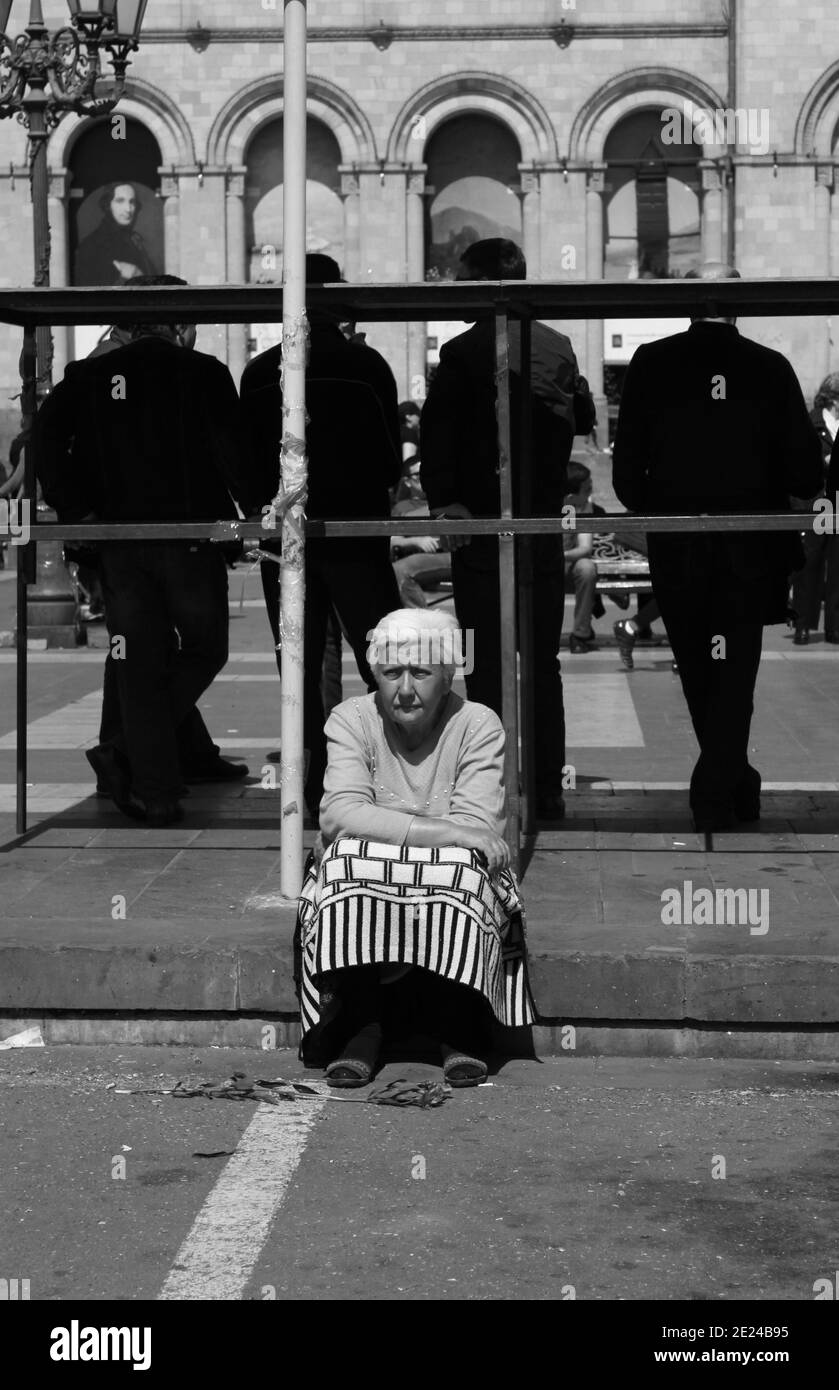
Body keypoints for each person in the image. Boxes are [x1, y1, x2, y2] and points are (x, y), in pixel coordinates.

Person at [612, 261, 822, 831]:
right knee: (734, 668)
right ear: (738, 304)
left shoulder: (652, 363)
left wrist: (662, 498)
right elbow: (804, 470)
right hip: (749, 552)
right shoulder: (769, 367)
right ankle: (731, 781)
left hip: (679, 546)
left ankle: (718, 786)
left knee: (701, 668)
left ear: (688, 304)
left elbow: (627, 477)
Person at [34, 281, 253, 826]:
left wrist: (75, 508)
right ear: (179, 322)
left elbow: (43, 440)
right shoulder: (203, 371)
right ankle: (126, 752)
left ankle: (155, 790)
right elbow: (231, 449)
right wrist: (255, 510)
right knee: (204, 648)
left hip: (121, 542)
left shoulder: (87, 376)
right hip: (188, 537)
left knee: (138, 662)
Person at [294, 608, 535, 1088]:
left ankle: (456, 1022)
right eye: (390, 673)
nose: (405, 689)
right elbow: (339, 814)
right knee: (345, 865)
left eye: (421, 673)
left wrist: (400, 830)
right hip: (382, 860)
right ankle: (360, 1024)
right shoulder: (351, 718)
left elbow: (479, 826)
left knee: (462, 869)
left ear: (447, 678)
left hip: (445, 862)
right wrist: (445, 831)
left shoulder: (478, 723)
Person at [420, 237, 596, 820]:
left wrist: (446, 504)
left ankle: (490, 784)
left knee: (488, 663)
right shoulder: (558, 346)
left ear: (484, 282)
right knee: (541, 662)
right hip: (540, 524)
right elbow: (575, 427)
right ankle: (546, 787)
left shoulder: (462, 350)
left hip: (481, 526)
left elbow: (438, 437)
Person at [240, 252, 401, 816]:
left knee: (298, 661)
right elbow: (387, 457)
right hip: (356, 531)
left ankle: (310, 780)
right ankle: (391, 767)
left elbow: (244, 463)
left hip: (282, 536)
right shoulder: (366, 365)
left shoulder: (261, 371)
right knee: (378, 649)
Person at [790, 373, 839, 644]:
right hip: (817, 500)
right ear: (833, 399)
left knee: (838, 565)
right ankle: (803, 624)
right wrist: (824, 460)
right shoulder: (812, 421)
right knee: (810, 564)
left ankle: (835, 626)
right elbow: (801, 459)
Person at [74, 182, 157, 286]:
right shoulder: (92, 245)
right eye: (120, 201)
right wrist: (123, 278)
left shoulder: (134, 240)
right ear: (108, 205)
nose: (128, 209)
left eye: (132, 202)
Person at [562, 461, 600, 652]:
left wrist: (561, 556)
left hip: (566, 565)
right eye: (587, 488)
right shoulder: (551, 504)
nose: (591, 490)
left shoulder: (584, 506)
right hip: (541, 564)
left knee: (586, 568)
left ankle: (580, 634)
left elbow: (585, 548)